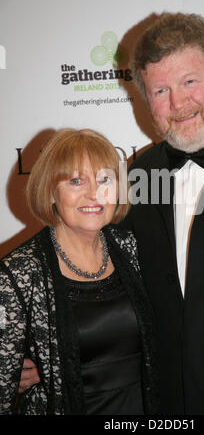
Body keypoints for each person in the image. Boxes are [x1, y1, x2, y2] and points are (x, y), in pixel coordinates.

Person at [19, 12, 204, 414]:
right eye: (160, 90)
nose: (178, 103)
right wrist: (32, 344)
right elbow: (90, 271)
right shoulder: (136, 178)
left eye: (190, 82)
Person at [0, 128, 158, 415]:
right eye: (75, 181)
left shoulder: (133, 248)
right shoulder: (17, 274)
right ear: (50, 191)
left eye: (104, 180)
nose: (93, 194)